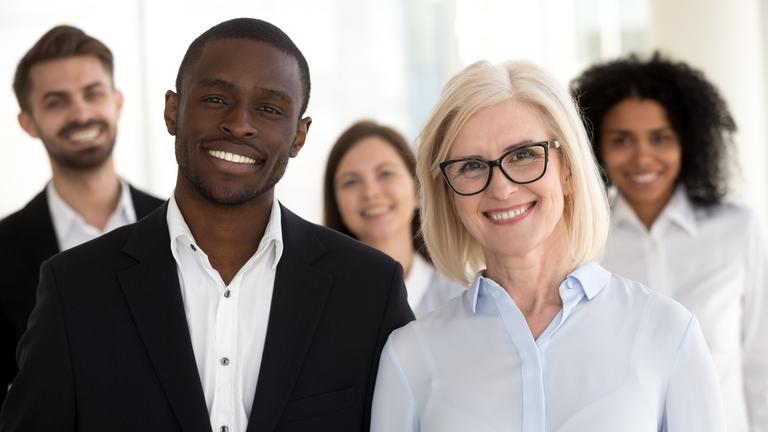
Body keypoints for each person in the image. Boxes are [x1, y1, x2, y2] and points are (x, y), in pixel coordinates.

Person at [0, 18, 413, 432]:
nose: (238, 123)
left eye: (269, 109)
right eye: (216, 99)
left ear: (299, 136)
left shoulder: (369, 290)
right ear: (172, 111)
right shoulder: (73, 287)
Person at [370, 59, 725, 431]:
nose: (501, 188)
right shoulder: (410, 356)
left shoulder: (666, 332)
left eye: (524, 155)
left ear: (568, 170)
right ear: (449, 195)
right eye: (471, 166)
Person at [571, 52, 768, 432]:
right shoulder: (582, 242)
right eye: (622, 140)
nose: (643, 157)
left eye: (660, 138)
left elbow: (762, 363)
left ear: (688, 142)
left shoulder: (738, 231)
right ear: (596, 148)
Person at [0, 25, 164, 403]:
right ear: (28, 122)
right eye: (57, 101)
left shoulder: (184, 224)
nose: (81, 114)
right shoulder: (2, 251)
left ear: (117, 101)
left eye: (93, 94)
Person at [323, 120, 464, 318]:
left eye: (386, 173)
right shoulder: (321, 306)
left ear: (418, 190)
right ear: (336, 203)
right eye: (351, 181)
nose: (370, 193)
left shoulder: (461, 300)